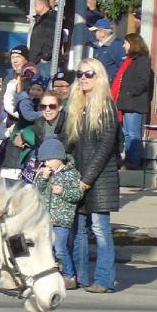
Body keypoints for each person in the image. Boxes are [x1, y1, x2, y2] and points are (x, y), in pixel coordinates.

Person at [65, 58, 121, 293]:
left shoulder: (107, 106)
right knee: (77, 229)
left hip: (101, 178)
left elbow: (105, 147)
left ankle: (104, 280)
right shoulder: (77, 105)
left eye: (89, 74)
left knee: (99, 228)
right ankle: (80, 277)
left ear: (99, 77)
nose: (83, 78)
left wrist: (86, 180)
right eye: (80, 74)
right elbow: (70, 145)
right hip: (79, 175)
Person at [33, 137, 84, 290]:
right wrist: (43, 178)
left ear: (58, 158)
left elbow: (77, 195)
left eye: (48, 160)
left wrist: (63, 192)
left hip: (62, 219)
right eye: (44, 161)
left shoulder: (71, 174)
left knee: (61, 249)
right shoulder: (48, 173)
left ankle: (70, 276)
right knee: (47, 249)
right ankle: (52, 274)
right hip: (47, 219)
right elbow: (37, 190)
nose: (46, 164)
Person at [113, 33, 153, 170]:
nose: (124, 45)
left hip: (133, 103)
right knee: (127, 133)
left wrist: (129, 93)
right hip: (125, 102)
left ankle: (134, 162)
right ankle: (130, 160)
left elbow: (142, 81)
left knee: (133, 133)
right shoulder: (130, 60)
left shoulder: (142, 60)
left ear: (133, 44)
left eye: (126, 43)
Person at [28, 0, 57, 74]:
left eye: (36, 5)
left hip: (44, 62)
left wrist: (46, 57)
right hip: (35, 60)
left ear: (43, 5)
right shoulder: (40, 19)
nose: (34, 7)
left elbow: (52, 38)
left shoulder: (51, 19)